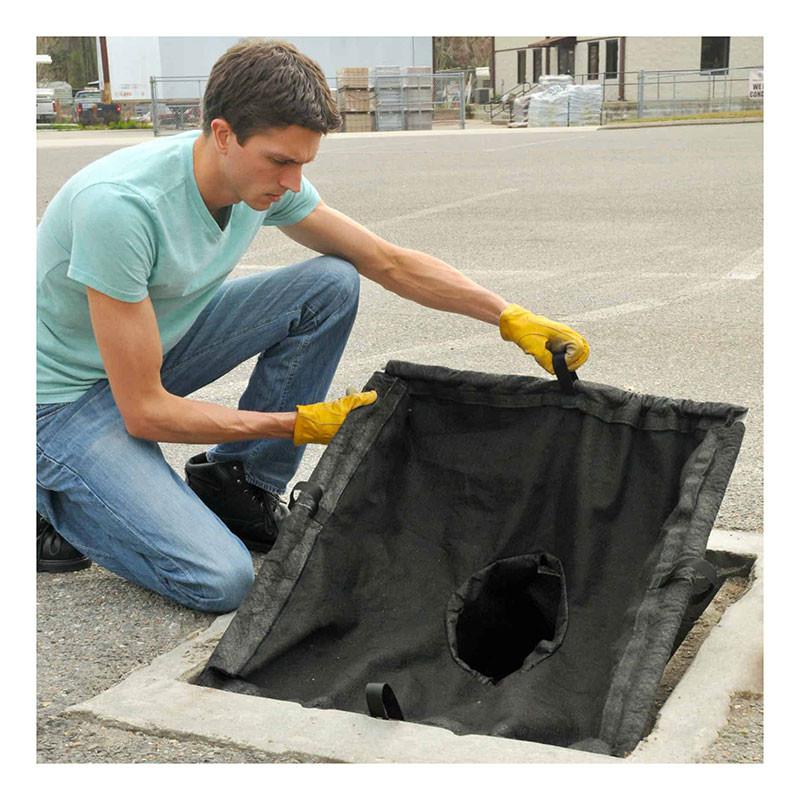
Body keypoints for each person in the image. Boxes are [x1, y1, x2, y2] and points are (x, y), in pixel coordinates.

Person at [36, 39, 589, 612]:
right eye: (281, 161)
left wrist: (509, 316)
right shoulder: (122, 207)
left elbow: (386, 261)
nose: (294, 183)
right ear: (223, 134)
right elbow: (144, 412)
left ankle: (240, 484)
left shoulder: (257, 181)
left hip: (147, 349)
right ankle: (47, 491)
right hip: (58, 400)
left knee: (330, 282)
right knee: (220, 580)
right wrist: (298, 424)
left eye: (303, 163)